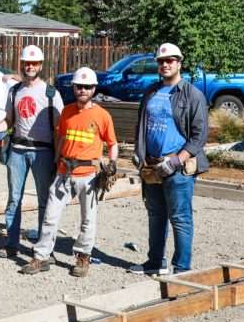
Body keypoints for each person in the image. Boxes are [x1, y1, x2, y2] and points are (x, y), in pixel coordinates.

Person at [22, 67, 117, 277]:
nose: (82, 90)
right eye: (79, 86)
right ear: (74, 88)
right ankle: (41, 256)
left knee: (88, 219)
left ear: (93, 89)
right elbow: (61, 138)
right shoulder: (67, 111)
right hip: (64, 172)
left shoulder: (102, 115)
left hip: (89, 174)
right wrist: (56, 162)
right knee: (50, 216)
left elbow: (112, 143)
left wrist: (111, 164)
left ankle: (83, 257)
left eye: (87, 87)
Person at [130, 43, 209, 275]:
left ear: (179, 63)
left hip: (177, 168)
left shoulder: (192, 95)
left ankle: (182, 267)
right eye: (162, 61)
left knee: (180, 217)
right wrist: (139, 152)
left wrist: (176, 161)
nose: (165, 64)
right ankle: (155, 262)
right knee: (156, 216)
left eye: (170, 60)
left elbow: (199, 137)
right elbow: (141, 126)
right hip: (152, 165)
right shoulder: (151, 93)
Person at [0, 44, 64, 258]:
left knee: (45, 200)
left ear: (40, 65)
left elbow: (59, 128)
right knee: (14, 198)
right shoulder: (15, 91)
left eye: (34, 63)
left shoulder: (51, 93)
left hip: (43, 152)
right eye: (26, 63)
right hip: (17, 150)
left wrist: (57, 157)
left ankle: (45, 247)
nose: (30, 66)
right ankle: (11, 243)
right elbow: (8, 121)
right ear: (22, 64)